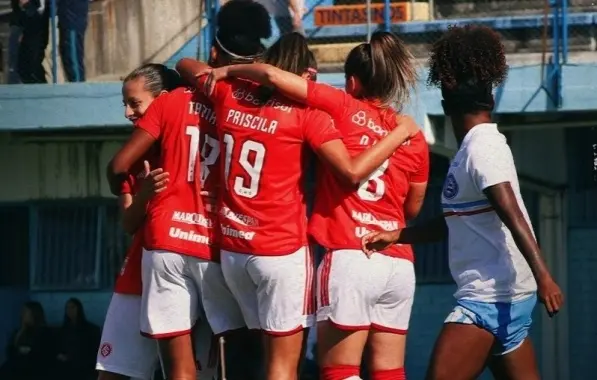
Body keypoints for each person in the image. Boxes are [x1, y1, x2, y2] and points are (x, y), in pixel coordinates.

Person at [175, 30, 419, 380]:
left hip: (233, 250)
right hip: (281, 252)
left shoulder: (229, 93)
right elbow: (354, 173)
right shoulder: (310, 116)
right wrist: (400, 133)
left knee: (248, 354)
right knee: (284, 365)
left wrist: (230, 70)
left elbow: (184, 64)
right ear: (302, 74)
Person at [361, 25, 564, 380]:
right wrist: (398, 236)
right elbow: (456, 221)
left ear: (444, 104)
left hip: (488, 299)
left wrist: (545, 276)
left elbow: (512, 213)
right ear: (491, 99)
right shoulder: (471, 150)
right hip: (506, 297)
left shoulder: (481, 148)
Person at [106, 2, 272, 379]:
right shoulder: (255, 107)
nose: (130, 112)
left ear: (214, 53)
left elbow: (117, 167)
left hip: (167, 241)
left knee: (180, 369)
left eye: (134, 104)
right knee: (234, 362)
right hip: (224, 244)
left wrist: (133, 190)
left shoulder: (170, 103)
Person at [96, 63, 178, 380]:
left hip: (186, 274)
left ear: (165, 100)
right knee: (111, 373)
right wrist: (144, 194)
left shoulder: (192, 144)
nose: (129, 113)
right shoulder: (131, 157)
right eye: (125, 104)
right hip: (137, 279)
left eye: (135, 103)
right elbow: (128, 223)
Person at [0, 302, 53, 380]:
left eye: (25, 312)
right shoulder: (19, 331)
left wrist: (28, 351)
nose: (22, 315)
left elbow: (44, 354)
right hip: (19, 365)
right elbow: (10, 352)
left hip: (35, 367)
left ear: (33, 313)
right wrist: (22, 330)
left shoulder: (44, 332)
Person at [55, 298, 101, 380]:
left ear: (79, 309)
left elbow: (92, 351)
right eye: (67, 308)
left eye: (72, 307)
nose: (69, 310)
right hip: (66, 368)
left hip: (84, 368)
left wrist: (72, 357)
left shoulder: (90, 329)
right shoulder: (63, 330)